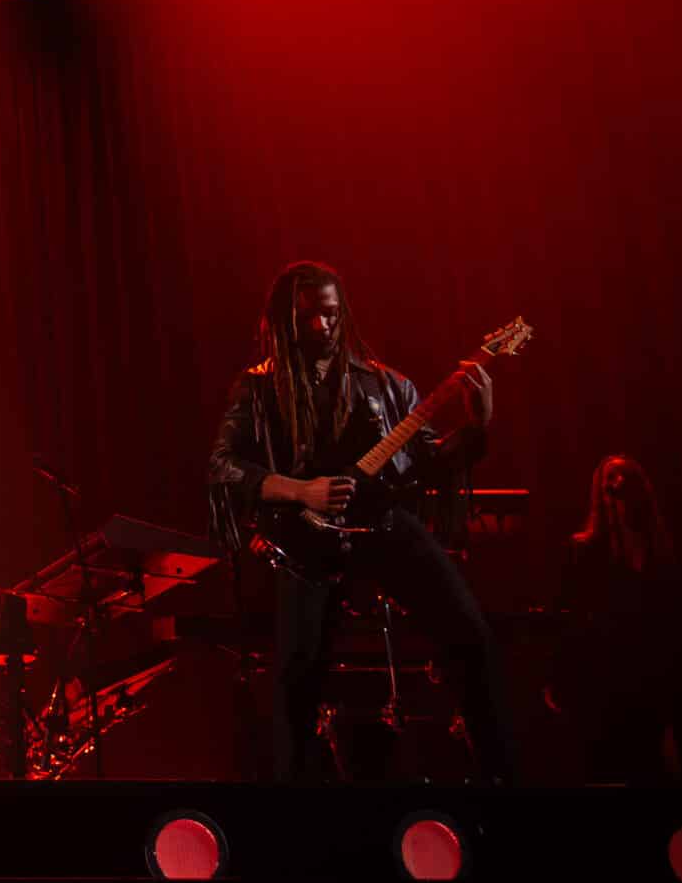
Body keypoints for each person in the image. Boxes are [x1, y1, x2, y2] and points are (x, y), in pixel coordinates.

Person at [206, 259, 511, 782]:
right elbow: (222, 466)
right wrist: (301, 490)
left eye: (330, 314)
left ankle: (500, 780)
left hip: (384, 526)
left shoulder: (385, 385)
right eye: (308, 317)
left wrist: (478, 424)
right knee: (298, 677)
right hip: (307, 543)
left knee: (471, 635)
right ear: (283, 321)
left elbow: (429, 463)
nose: (322, 326)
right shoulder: (258, 389)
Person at [552, 454, 682, 783]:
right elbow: (570, 619)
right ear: (601, 493)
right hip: (606, 680)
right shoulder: (585, 551)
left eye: (626, 476)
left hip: (652, 679)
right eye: (610, 478)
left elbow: (678, 619)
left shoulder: (663, 553)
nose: (619, 483)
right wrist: (560, 675)